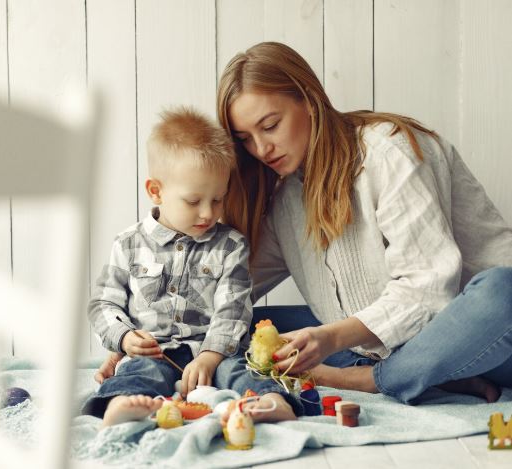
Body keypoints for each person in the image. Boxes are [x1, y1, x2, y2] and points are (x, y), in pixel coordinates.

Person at [213, 41, 512, 404]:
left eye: (271, 126)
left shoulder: (389, 151)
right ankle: (427, 376)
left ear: (309, 100)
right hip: (399, 346)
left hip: (488, 333)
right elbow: (234, 284)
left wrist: (332, 339)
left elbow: (428, 289)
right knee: (234, 327)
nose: (261, 149)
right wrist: (137, 330)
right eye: (246, 139)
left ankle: (368, 379)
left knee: (504, 290)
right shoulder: (286, 198)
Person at [83, 107, 301, 427]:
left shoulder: (230, 246)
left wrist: (211, 355)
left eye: (217, 200)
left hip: (213, 350)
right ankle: (121, 404)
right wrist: (124, 338)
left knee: (238, 369)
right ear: (156, 191)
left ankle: (273, 401)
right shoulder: (128, 244)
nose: (207, 213)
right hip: (154, 353)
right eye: (193, 200)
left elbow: (234, 309)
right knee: (138, 370)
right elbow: (103, 302)